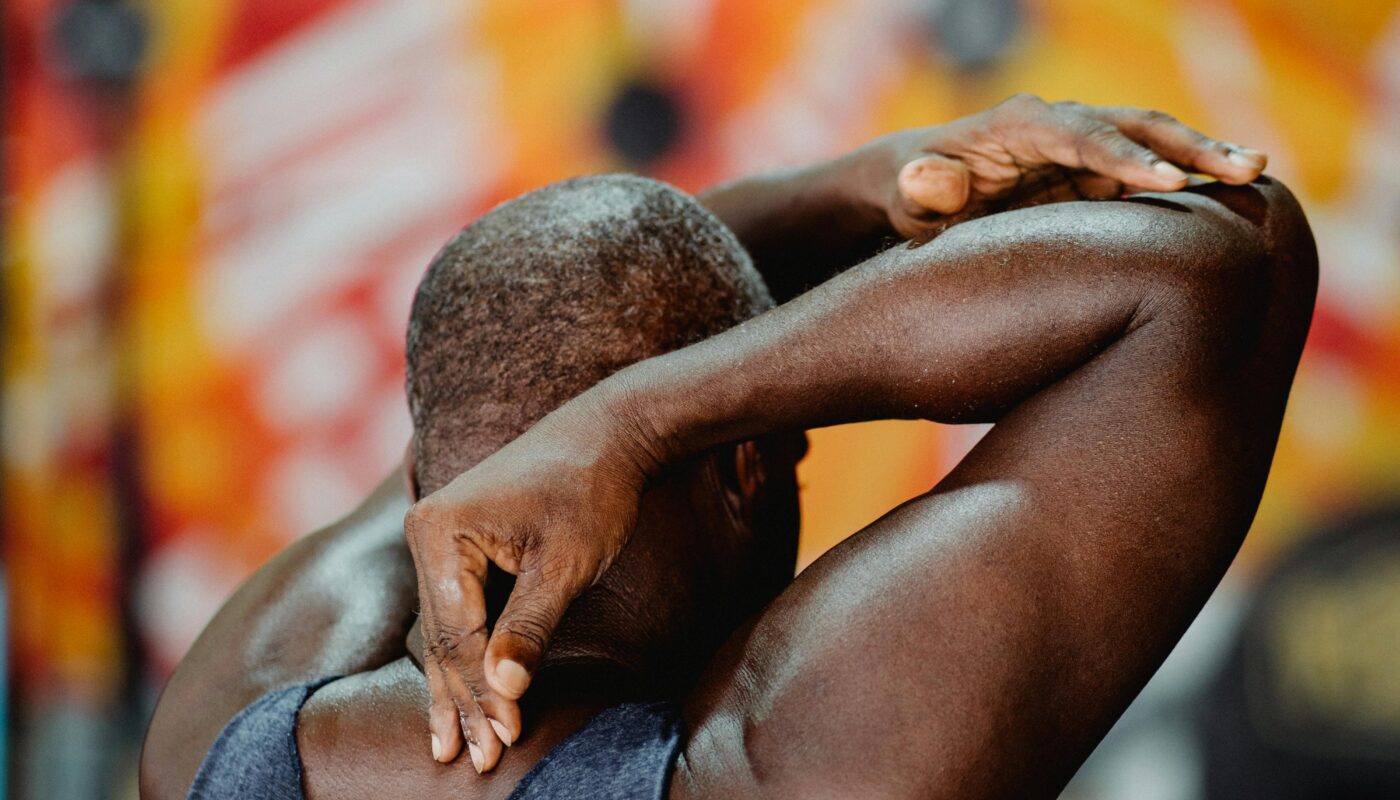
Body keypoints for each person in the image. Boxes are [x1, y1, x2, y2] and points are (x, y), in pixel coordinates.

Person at [140, 95, 1314, 799]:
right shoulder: (795, 762)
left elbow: (528, 299)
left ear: (420, 483)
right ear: (748, 467)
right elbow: (1219, 255)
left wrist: (857, 191)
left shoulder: (220, 723)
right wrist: (637, 420)